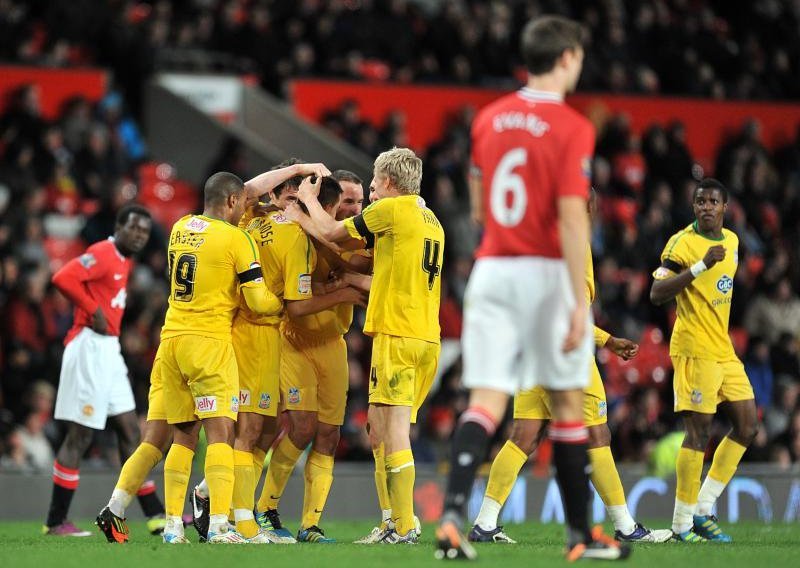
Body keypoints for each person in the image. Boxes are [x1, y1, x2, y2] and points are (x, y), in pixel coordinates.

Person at [435, 15, 629, 561]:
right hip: (542, 273)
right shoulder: (572, 128)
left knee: (486, 401)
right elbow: (572, 221)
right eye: (582, 57)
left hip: (492, 269)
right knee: (569, 405)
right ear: (567, 56)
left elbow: (476, 208)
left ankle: (453, 516)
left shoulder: (488, 119)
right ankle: (580, 536)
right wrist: (574, 302)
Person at [95, 163, 327, 544]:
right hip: (209, 343)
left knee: (179, 436)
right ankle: (220, 524)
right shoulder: (236, 239)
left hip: (170, 342)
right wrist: (282, 304)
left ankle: (170, 526)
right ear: (233, 201)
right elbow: (258, 299)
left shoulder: (180, 228)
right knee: (222, 434)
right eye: (240, 204)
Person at [468, 192, 672, 545]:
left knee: (523, 437)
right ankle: (625, 527)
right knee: (597, 436)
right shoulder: (571, 244)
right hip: (565, 352)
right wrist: (607, 340)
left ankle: (484, 523)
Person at [288, 147, 444, 545]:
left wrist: (305, 203)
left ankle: (405, 525)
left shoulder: (393, 210)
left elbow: (332, 233)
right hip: (425, 336)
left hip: (399, 333)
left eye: (374, 184)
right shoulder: (431, 220)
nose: (371, 192)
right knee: (379, 427)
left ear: (390, 183)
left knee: (393, 432)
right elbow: (370, 263)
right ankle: (392, 519)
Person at [254, 174, 366, 544]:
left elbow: (363, 270)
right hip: (296, 340)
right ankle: (265, 508)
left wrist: (342, 279)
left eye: (359, 203)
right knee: (301, 427)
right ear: (327, 203)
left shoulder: (358, 238)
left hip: (334, 343)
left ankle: (311, 524)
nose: (352, 209)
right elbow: (298, 301)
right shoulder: (300, 233)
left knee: (329, 435)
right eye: (346, 201)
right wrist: (341, 287)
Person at [650, 178, 757, 543]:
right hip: (694, 347)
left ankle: (704, 507)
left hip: (723, 349)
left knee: (748, 425)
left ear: (725, 207)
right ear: (694, 207)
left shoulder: (732, 241)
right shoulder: (681, 243)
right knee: (698, 433)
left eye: (713, 201)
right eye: (700, 202)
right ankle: (681, 526)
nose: (706, 207)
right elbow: (656, 293)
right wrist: (697, 268)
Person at [44, 204, 159, 537]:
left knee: (129, 431)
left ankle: (155, 514)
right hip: (89, 346)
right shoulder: (104, 252)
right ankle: (55, 521)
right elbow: (62, 277)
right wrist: (91, 308)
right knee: (80, 434)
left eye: (145, 231)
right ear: (119, 226)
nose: (139, 235)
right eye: (134, 228)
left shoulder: (124, 260)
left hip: (110, 349)